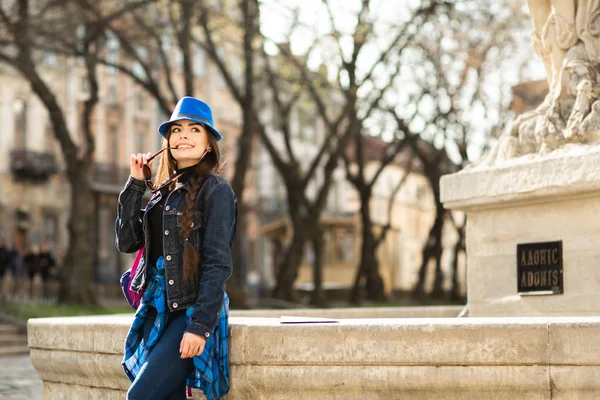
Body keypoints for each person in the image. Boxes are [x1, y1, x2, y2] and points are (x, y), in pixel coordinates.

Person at [115, 96, 238, 400]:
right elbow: (127, 242)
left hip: (191, 311)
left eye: (195, 130)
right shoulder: (163, 194)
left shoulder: (217, 191)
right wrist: (135, 183)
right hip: (157, 312)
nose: (183, 135)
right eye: (176, 130)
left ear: (208, 143)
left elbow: (217, 263)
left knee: (139, 396)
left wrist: (199, 326)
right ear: (168, 141)